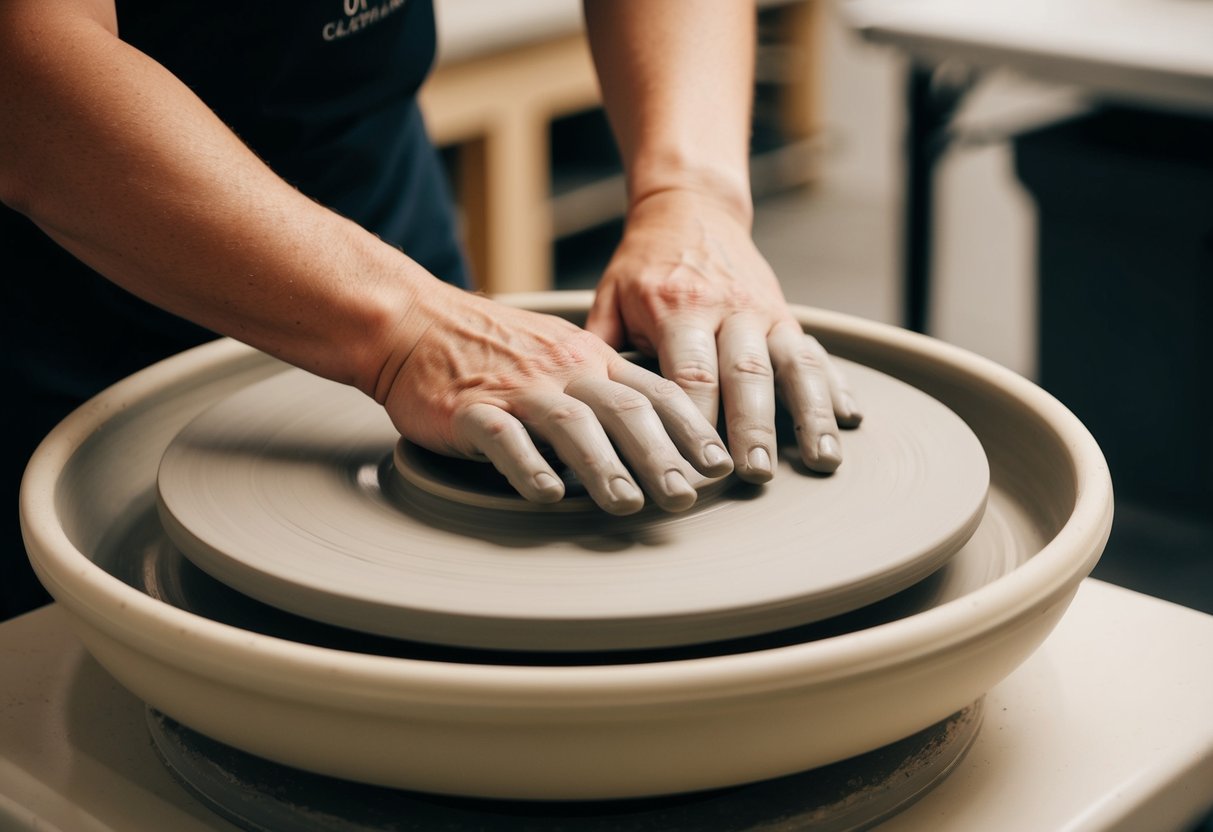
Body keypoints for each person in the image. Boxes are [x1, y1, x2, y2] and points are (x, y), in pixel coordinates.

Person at [0, 0, 860, 620]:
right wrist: (405, 330)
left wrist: (692, 194)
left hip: (370, 195)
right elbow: (25, 73)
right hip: (66, 281)